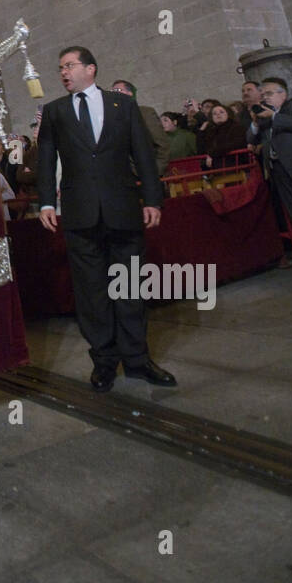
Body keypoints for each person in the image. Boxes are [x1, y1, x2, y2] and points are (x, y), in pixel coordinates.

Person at [37, 46, 175, 392]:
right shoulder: (54, 111)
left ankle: (138, 361)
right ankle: (103, 362)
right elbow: (46, 159)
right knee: (92, 292)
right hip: (80, 215)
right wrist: (44, 203)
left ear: (90, 69)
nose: (63, 73)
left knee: (129, 287)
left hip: (123, 210)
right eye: (60, 69)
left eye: (69, 66)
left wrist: (153, 199)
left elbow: (143, 153)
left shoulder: (123, 105)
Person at [249, 77, 292, 241]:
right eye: (263, 95)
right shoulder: (264, 116)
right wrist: (255, 123)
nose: (265, 98)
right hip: (278, 170)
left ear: (283, 94)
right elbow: (251, 139)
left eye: (269, 93)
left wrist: (275, 117)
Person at [111, 80, 170, 175]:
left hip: (148, 173)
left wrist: (156, 171)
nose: (113, 94)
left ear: (129, 94)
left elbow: (162, 144)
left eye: (118, 90)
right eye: (112, 91)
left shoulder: (146, 113)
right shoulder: (113, 118)